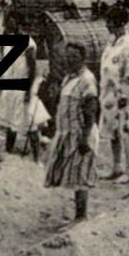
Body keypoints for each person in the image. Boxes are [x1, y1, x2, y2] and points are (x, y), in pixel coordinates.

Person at [44, 43, 100, 222]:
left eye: (74, 57)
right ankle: (78, 214)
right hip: (67, 133)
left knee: (81, 175)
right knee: (73, 174)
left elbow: (90, 110)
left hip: (81, 133)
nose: (69, 59)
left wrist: (84, 138)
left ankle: (81, 216)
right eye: (67, 56)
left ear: (82, 59)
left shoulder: (87, 80)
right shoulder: (68, 78)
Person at [98, 4, 129, 184]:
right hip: (108, 96)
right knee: (113, 132)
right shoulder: (112, 43)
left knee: (125, 132)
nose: (107, 25)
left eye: (110, 22)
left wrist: (124, 96)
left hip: (121, 97)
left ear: (119, 23)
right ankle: (117, 166)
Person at [0, 38, 47, 159]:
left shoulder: (29, 45)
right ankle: (8, 153)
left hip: (23, 88)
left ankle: (36, 158)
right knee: (10, 122)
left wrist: (28, 91)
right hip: (10, 88)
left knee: (30, 124)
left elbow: (33, 69)